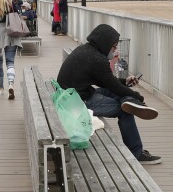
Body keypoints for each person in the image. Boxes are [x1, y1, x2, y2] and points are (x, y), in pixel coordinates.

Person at [56, 23, 161, 164]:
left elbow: (106, 82)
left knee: (114, 92)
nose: (115, 49)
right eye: (114, 46)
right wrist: (138, 96)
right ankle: (136, 153)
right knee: (125, 111)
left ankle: (129, 101)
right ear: (105, 44)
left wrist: (124, 81)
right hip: (78, 102)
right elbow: (112, 85)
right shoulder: (98, 60)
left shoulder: (86, 50)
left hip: (69, 96)